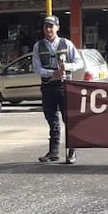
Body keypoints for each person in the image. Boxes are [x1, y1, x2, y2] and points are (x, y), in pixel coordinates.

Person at [32, 14, 84, 163]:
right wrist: (51, 73)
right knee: (52, 121)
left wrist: (67, 67)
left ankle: (72, 151)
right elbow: (37, 68)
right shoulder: (38, 46)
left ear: (57, 28)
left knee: (68, 119)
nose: (48, 29)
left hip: (64, 86)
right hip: (48, 87)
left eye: (51, 26)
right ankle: (53, 152)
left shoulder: (66, 44)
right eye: (46, 26)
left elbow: (79, 62)